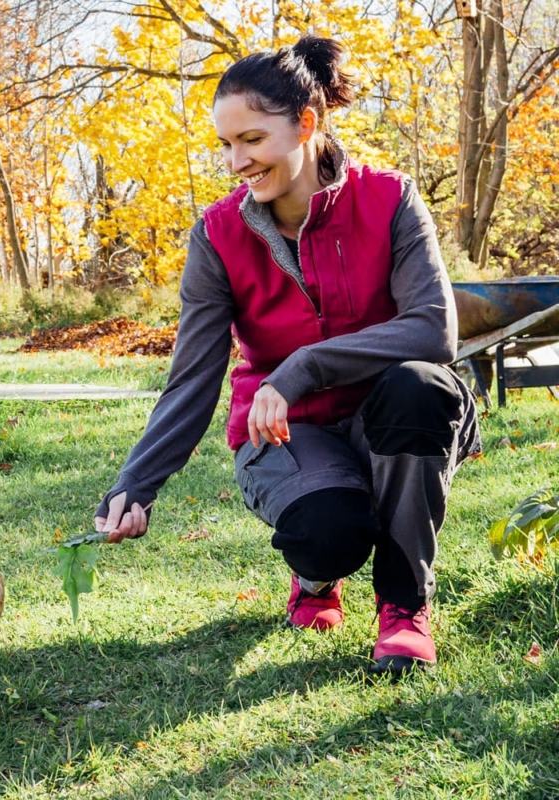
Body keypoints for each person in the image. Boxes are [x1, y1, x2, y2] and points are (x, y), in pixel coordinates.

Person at [94, 35, 481, 676]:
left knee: (423, 385)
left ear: (306, 122)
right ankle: (315, 577)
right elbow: (193, 378)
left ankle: (405, 608)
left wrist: (303, 366)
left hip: (390, 416)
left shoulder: (391, 200)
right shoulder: (218, 235)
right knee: (329, 531)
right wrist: (135, 486)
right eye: (225, 143)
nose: (233, 161)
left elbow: (433, 332)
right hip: (286, 431)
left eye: (250, 140)